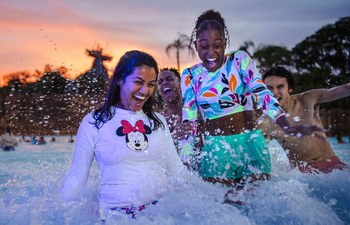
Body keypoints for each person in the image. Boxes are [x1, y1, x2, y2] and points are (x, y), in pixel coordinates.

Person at [181, 9, 322, 186]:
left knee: (258, 206)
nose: (211, 53)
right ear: (195, 45)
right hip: (216, 149)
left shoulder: (239, 60)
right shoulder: (190, 76)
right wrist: (184, 162)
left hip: (250, 143)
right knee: (221, 208)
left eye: (217, 45)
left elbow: (261, 93)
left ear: (224, 43)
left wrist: (286, 125)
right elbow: (190, 121)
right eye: (204, 46)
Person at [60, 50, 188, 220]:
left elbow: (176, 171)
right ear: (120, 79)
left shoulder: (158, 121)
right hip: (116, 217)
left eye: (151, 84)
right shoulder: (94, 122)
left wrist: (212, 194)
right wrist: (59, 211)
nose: (145, 91)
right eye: (138, 82)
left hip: (160, 215)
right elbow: (77, 175)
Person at [260, 66, 349, 173]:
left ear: (290, 88)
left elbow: (344, 89)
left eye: (280, 86)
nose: (274, 93)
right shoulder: (265, 122)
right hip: (303, 175)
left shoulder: (307, 99)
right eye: (269, 88)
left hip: (332, 165)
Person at [157, 68, 202, 171]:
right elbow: (160, 149)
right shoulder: (161, 119)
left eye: (170, 79)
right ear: (159, 91)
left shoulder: (197, 108)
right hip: (182, 169)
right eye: (160, 82)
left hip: (204, 161)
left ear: (180, 83)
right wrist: (174, 137)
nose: (165, 83)